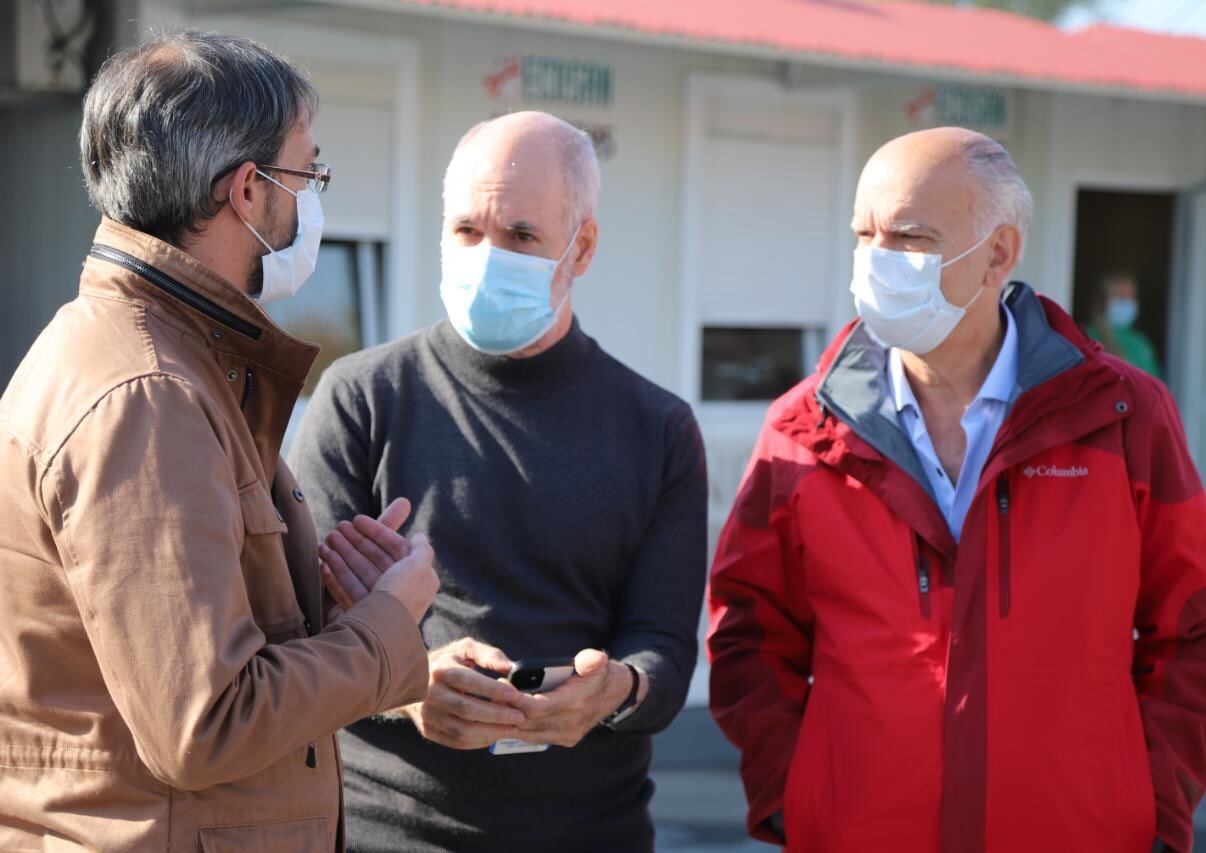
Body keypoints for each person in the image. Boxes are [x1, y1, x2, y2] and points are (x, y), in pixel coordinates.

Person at [707, 128, 1206, 853]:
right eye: (864, 235)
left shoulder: (1123, 418)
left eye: (909, 237)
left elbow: (1202, 630)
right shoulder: (804, 427)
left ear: (998, 253)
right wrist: (794, 795)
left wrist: (1146, 805)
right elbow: (747, 630)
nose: (876, 261)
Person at [0, 32, 440, 851]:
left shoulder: (167, 358)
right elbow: (206, 720)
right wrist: (386, 624)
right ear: (247, 190)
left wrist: (308, 600)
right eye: (308, 173)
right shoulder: (149, 393)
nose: (313, 198)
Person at [290, 110, 708, 852]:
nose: (487, 256)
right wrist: (408, 683)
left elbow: (664, 652)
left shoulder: (658, 428)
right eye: (466, 232)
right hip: (381, 833)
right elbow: (294, 628)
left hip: (592, 834)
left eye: (520, 236)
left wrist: (614, 690)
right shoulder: (361, 397)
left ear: (581, 248)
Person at [1088, 271, 1163, 378]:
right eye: (1120, 297)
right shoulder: (1088, 337)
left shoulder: (1140, 342)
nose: (1127, 303)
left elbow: (1156, 385)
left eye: (1131, 297)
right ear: (1103, 301)